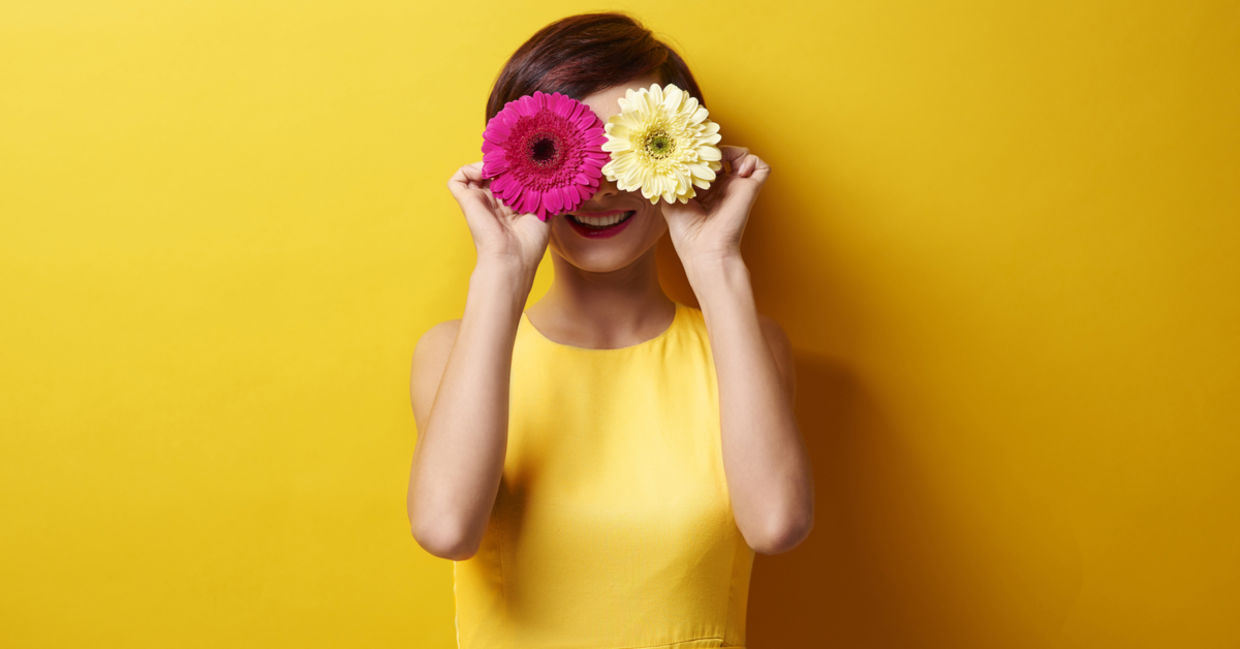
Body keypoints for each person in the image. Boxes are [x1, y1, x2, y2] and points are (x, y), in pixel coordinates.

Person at [407, 11, 813, 648]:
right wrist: (502, 269)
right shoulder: (449, 352)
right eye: (565, 148)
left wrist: (716, 262)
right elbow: (445, 527)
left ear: (684, 152)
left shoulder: (748, 345)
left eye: (632, 146)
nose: (599, 185)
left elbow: (775, 523)